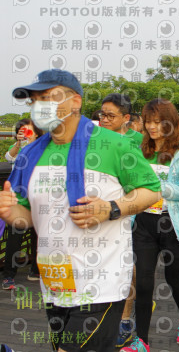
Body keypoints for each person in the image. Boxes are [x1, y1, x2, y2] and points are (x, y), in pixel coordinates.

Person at [0, 69, 161, 351]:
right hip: (56, 280)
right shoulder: (29, 154)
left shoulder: (114, 145)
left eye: (48, 97)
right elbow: (26, 217)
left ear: (76, 101)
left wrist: (111, 208)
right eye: (34, 99)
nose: (39, 105)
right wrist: (9, 212)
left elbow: (151, 191)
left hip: (101, 279)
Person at [123, 98, 179, 352]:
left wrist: (157, 188)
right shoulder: (140, 149)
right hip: (142, 223)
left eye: (157, 122)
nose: (152, 127)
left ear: (170, 122)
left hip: (172, 224)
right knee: (143, 282)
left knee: (173, 278)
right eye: (148, 122)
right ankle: (141, 340)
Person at [98, 94, 144, 348]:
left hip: (128, 209)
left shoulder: (137, 140)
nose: (103, 120)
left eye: (110, 115)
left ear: (126, 119)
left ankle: (126, 319)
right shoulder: (92, 140)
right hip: (99, 213)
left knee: (128, 263)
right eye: (101, 115)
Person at [2, 119, 42, 290]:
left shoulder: (44, 150)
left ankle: (35, 269)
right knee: (14, 239)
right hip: (19, 199)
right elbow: (8, 157)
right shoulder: (19, 149)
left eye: (28, 131)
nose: (25, 134)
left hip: (39, 198)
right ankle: (8, 276)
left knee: (42, 236)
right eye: (21, 131)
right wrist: (19, 143)